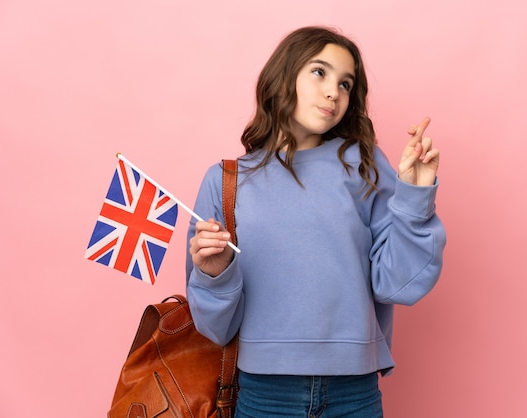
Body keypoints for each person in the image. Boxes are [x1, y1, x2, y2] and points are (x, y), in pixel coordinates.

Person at [186, 26, 446, 418]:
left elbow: (398, 284)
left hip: (354, 392)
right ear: (283, 74)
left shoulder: (364, 164)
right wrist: (215, 273)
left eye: (345, 84)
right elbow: (215, 328)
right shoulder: (226, 181)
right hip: (263, 393)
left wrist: (414, 196)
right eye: (320, 72)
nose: (333, 92)